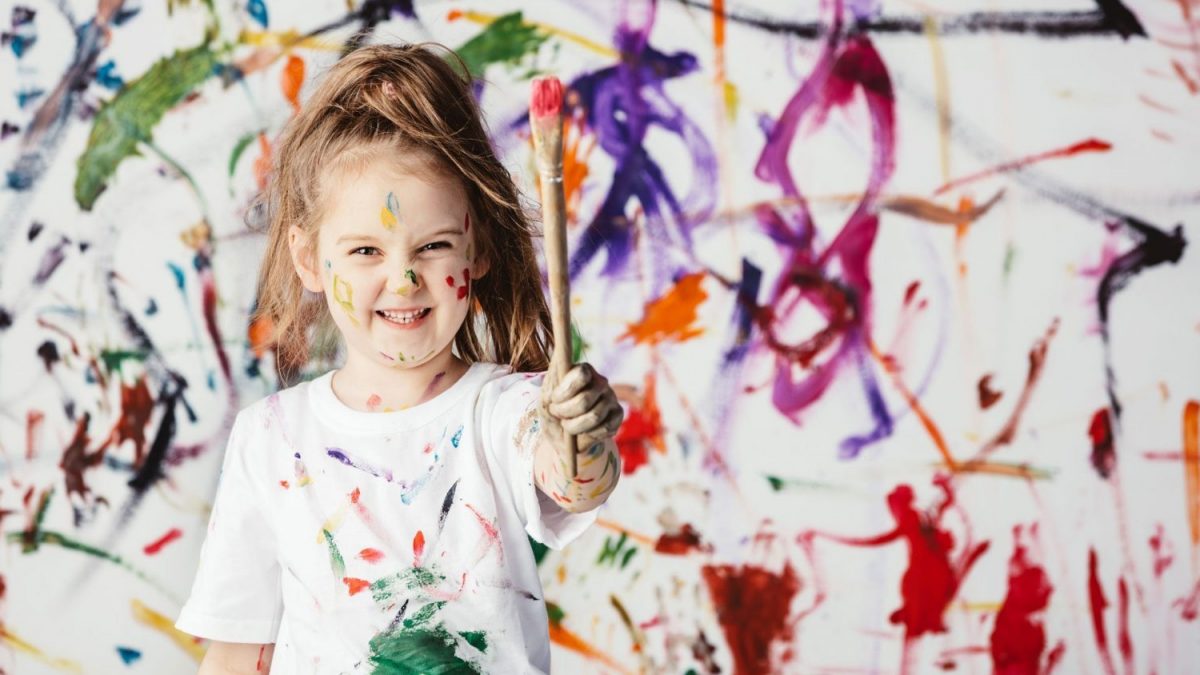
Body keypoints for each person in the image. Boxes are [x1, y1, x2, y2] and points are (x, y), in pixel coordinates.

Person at [175, 42, 624, 674]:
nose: (405, 280)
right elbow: (237, 648)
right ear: (309, 258)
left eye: (434, 245)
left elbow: (571, 480)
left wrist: (579, 435)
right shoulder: (271, 440)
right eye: (364, 252)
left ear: (479, 250)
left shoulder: (503, 411)